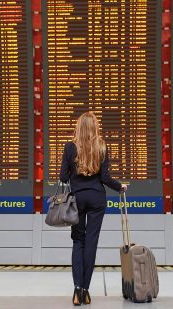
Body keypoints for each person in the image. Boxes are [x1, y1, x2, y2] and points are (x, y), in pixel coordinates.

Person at [59, 111, 127, 306]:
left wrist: (73, 172)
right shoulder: (102, 146)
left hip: (77, 200)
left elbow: (63, 177)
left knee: (77, 241)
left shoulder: (70, 147)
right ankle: (86, 291)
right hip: (97, 198)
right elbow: (105, 178)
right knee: (91, 242)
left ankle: (77, 290)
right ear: (95, 127)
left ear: (78, 127)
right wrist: (119, 186)